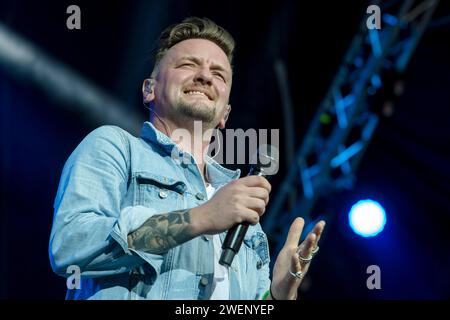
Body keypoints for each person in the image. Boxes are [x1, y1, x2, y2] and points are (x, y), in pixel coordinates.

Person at [49, 16, 325, 300]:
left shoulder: (239, 205)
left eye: (219, 74)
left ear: (225, 115)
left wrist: (279, 294)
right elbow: (70, 247)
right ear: (149, 89)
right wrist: (202, 217)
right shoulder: (115, 147)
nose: (205, 76)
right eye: (188, 64)